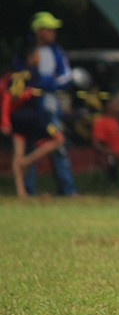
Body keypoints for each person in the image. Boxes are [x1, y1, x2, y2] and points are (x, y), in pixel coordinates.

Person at [16, 12, 77, 196]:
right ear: (39, 31)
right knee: (32, 145)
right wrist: (39, 83)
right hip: (28, 107)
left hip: (49, 105)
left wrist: (48, 83)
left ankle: (66, 189)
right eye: (50, 29)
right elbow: (20, 76)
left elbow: (66, 76)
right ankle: (28, 189)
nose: (53, 33)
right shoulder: (25, 50)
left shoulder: (56, 51)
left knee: (57, 143)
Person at [2, 42, 70, 198]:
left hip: (16, 118)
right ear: (31, 57)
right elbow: (50, 84)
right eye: (37, 55)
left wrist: (5, 120)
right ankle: (27, 161)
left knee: (17, 153)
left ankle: (21, 192)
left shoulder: (13, 75)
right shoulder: (34, 73)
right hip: (33, 117)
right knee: (58, 139)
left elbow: (7, 97)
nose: (39, 57)